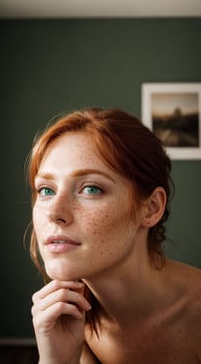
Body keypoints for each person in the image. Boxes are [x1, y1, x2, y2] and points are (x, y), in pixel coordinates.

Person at [28, 107, 201, 364]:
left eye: (91, 188)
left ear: (151, 208)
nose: (53, 212)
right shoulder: (70, 323)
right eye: (46, 190)